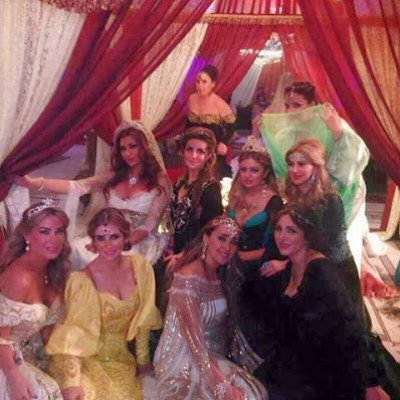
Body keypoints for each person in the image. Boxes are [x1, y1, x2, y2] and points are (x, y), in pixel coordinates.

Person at [15, 120, 172, 268]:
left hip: (136, 241)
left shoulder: (160, 180)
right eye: (123, 148)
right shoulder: (114, 174)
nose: (128, 153)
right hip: (105, 233)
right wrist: (33, 183)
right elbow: (78, 186)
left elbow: (149, 226)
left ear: (144, 147)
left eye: (133, 146)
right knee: (75, 250)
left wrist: (119, 243)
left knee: (110, 260)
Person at [142, 215, 267, 400]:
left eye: (233, 242)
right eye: (221, 238)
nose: (227, 247)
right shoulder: (188, 280)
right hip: (182, 359)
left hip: (211, 356)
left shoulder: (221, 275)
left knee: (251, 392)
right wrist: (220, 385)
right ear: (206, 238)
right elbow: (194, 343)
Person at [45, 207, 162, 400]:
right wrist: (72, 382)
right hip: (85, 361)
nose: (108, 245)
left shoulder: (141, 268)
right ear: (93, 242)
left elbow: (144, 320)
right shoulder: (82, 281)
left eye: (114, 237)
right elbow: (72, 334)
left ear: (126, 237)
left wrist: (143, 364)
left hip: (122, 362)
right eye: (100, 238)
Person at [255, 204, 367, 400]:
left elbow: (351, 326)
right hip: (297, 362)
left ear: (307, 235)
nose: (282, 237)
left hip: (323, 374)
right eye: (279, 229)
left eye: (291, 231)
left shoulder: (321, 271)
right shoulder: (291, 266)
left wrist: (370, 382)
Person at [0, 199, 70, 400]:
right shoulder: (20, 277)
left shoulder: (53, 270)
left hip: (27, 354)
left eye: (59, 231)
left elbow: (49, 331)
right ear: (27, 235)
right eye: (44, 231)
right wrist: (14, 378)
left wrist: (67, 368)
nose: (54, 239)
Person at [226, 136, 284, 358]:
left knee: (252, 325)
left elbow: (277, 247)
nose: (247, 175)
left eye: (254, 170)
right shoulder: (235, 195)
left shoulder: (274, 202)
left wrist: (242, 256)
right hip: (230, 266)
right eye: (243, 170)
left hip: (259, 271)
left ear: (265, 173)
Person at [170, 126, 223, 255]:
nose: (194, 156)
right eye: (190, 149)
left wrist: (184, 255)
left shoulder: (210, 188)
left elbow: (211, 231)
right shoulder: (179, 182)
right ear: (183, 152)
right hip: (175, 251)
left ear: (208, 156)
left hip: (195, 255)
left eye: (200, 151)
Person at [187, 65, 236, 178]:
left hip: (212, 150)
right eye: (198, 81)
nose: (200, 86)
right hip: (194, 148)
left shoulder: (219, 103)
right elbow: (188, 123)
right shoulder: (191, 99)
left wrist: (224, 143)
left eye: (204, 82)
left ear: (212, 84)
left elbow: (232, 125)